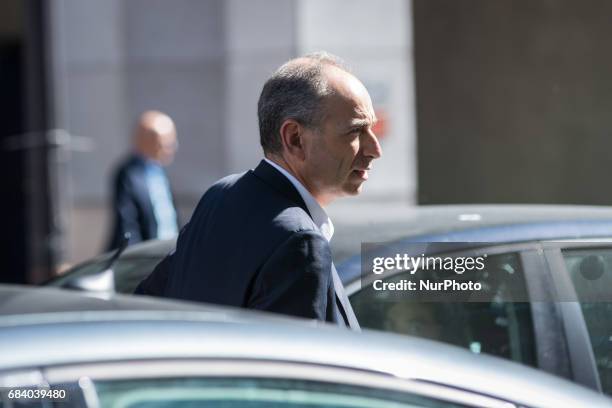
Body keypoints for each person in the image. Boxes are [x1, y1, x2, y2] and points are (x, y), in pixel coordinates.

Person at [135, 52, 382, 329]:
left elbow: (149, 305)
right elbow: (291, 369)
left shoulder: (222, 195)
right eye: (355, 132)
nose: (375, 149)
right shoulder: (299, 242)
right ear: (295, 139)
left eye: (371, 130)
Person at [107, 110, 179, 251]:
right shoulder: (129, 173)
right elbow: (127, 224)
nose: (171, 149)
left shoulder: (159, 172)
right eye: (166, 144)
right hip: (146, 257)